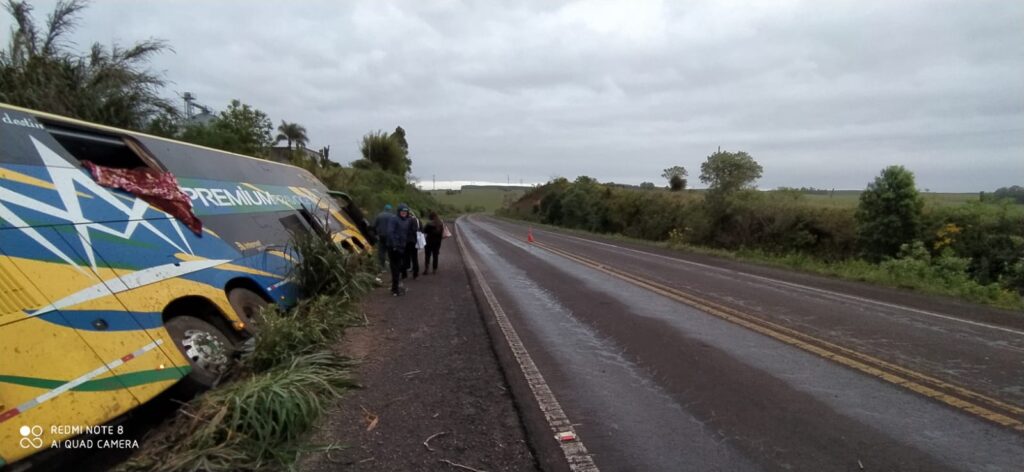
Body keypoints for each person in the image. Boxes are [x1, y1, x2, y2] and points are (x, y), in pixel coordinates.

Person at [386, 204, 415, 295]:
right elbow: (390, 232)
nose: (404, 213)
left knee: (398, 267)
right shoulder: (394, 219)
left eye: (405, 212)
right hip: (394, 247)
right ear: (399, 212)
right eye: (402, 211)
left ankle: (395, 287)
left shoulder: (406, 220)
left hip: (402, 247)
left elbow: (407, 232)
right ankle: (395, 289)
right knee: (395, 268)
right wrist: (395, 245)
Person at [372, 203, 395, 272]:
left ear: (384, 209)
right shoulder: (392, 216)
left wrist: (375, 234)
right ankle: (392, 266)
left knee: (381, 252)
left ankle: (382, 267)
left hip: (381, 236)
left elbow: (374, 226)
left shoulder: (379, 216)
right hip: (390, 237)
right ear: (390, 209)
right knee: (390, 251)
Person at [404, 209, 421, 280]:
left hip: (406, 241)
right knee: (414, 258)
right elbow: (417, 230)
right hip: (413, 241)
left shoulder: (404, 220)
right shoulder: (415, 220)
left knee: (405, 257)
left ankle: (404, 274)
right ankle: (415, 274)